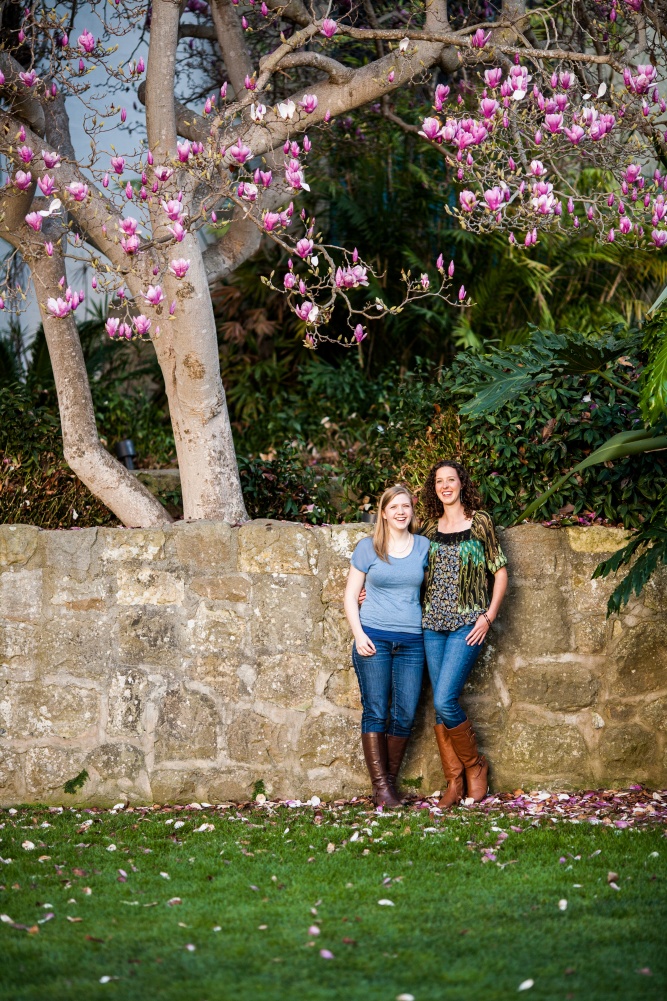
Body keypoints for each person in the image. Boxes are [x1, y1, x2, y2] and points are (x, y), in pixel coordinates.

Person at [420, 460, 508, 809]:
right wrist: (369, 592)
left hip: (467, 623)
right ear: (435, 487)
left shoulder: (480, 521)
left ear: (461, 483)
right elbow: (407, 569)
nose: (445, 486)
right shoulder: (426, 528)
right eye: (439, 481)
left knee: (444, 699)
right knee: (440, 708)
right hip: (431, 625)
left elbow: (499, 572)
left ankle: (476, 766)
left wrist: (488, 617)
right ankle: (454, 781)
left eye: (450, 480)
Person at [344, 484, 430, 808]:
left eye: (405, 506)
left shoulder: (423, 547)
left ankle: (387, 789)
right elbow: (351, 595)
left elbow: (435, 590)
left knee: (405, 714)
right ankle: (382, 789)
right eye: (393, 507)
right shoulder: (368, 548)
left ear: (411, 511)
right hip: (374, 638)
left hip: (412, 642)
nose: (400, 512)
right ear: (383, 512)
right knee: (376, 711)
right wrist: (359, 634)